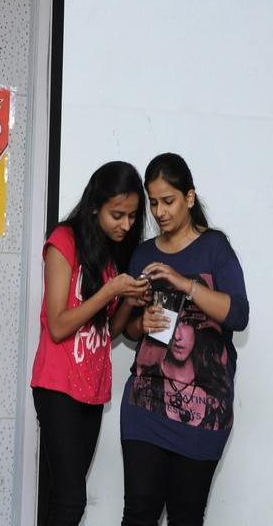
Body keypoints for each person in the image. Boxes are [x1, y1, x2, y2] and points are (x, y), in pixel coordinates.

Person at [117, 152, 249, 526]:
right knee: (138, 514)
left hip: (204, 410)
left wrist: (184, 283)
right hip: (146, 403)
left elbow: (238, 315)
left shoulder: (215, 247)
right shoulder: (143, 254)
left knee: (186, 517)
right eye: (153, 203)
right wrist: (140, 324)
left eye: (168, 201)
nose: (160, 212)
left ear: (189, 198)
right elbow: (129, 329)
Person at [30, 161, 151, 526]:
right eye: (118, 215)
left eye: (132, 216)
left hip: (92, 388)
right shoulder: (63, 241)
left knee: (61, 499)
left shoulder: (112, 254)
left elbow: (107, 332)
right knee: (71, 502)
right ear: (96, 205)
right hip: (57, 386)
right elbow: (58, 325)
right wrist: (110, 291)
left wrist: (128, 300)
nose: (126, 225)